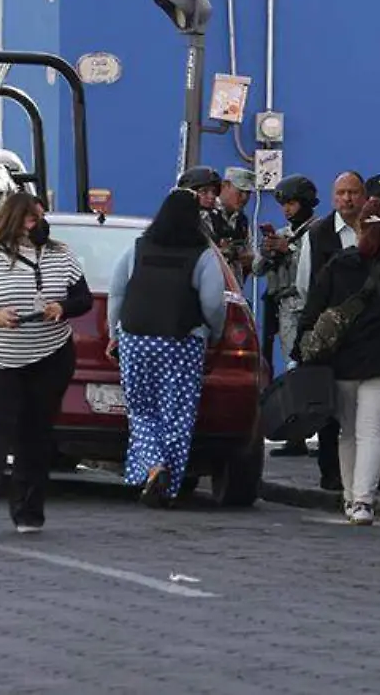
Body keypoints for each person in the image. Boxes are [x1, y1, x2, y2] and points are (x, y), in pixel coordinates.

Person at [0, 192, 94, 536]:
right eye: (32, 219)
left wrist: (62, 307)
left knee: (36, 432)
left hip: (48, 355)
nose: (39, 225)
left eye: (42, 218)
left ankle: (29, 512)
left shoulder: (62, 256)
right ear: (15, 222)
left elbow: (83, 299)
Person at [296, 198, 380, 526]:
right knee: (373, 432)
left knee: (347, 431)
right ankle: (363, 501)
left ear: (360, 227)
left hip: (342, 361)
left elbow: (312, 310)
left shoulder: (339, 265)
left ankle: (349, 496)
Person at [106, 189, 230, 508]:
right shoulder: (202, 254)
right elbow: (214, 302)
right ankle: (169, 482)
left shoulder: (138, 247)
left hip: (136, 337)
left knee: (141, 410)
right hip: (182, 341)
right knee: (177, 413)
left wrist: (113, 332)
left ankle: (152, 467)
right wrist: (214, 332)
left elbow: (117, 291)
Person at [301, 172, 380, 490]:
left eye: (353, 193)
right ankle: (336, 477)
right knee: (338, 418)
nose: (347, 199)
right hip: (336, 341)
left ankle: (375, 478)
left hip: (375, 339)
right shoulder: (319, 233)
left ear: (364, 196)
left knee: (376, 420)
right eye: (341, 193)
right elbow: (305, 285)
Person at [255, 173, 320, 391]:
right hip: (285, 308)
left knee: (313, 363)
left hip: (311, 306)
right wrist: (267, 252)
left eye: (291, 203)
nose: (286, 210)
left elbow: (317, 266)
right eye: (283, 205)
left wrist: (289, 249)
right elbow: (256, 269)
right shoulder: (282, 234)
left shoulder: (320, 232)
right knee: (292, 365)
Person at [213, 167, 256, 274]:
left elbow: (249, 256)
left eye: (248, 193)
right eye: (240, 191)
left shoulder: (242, 221)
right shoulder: (207, 214)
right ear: (225, 186)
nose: (244, 198)